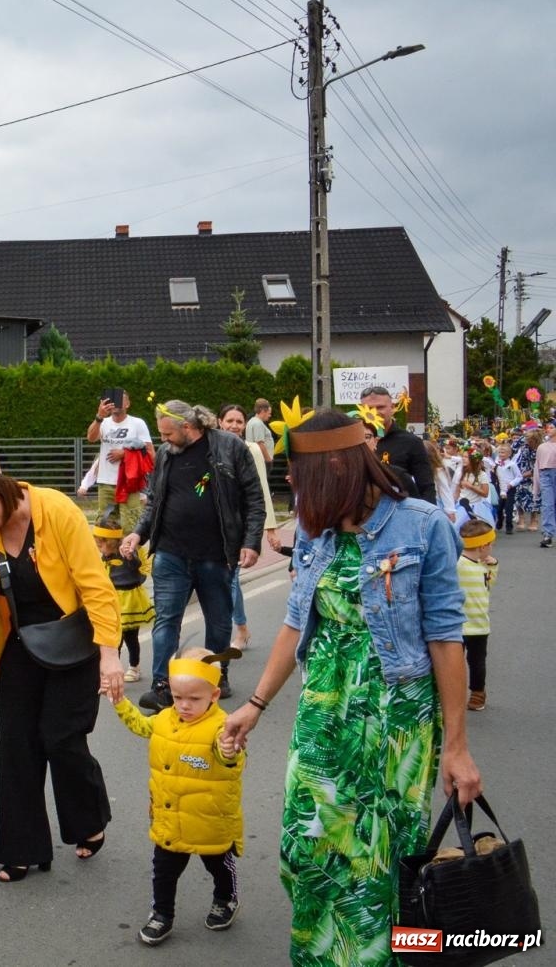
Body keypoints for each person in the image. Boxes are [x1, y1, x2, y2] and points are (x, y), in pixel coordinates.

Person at [221, 408, 481, 965]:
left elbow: (446, 641)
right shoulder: (315, 530)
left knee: (379, 861)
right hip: (324, 711)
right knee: (305, 847)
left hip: (395, 717)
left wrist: (456, 747)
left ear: (337, 465)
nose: (290, 483)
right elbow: (295, 623)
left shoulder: (422, 525)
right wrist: (255, 705)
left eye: (298, 472)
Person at [0, 449, 123, 881]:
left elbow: (95, 586)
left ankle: (87, 821)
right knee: (18, 746)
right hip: (20, 647)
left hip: (72, 642)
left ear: (4, 487)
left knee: (61, 740)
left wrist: (109, 654)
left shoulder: (56, 510)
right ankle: (22, 849)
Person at [121, 401, 264, 710]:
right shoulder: (164, 454)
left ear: (188, 427)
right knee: (166, 620)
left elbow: (254, 497)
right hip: (171, 553)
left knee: (219, 619)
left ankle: (215, 676)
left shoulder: (229, 447)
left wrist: (251, 542)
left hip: (215, 554)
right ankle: (163, 685)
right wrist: (138, 534)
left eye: (168, 433)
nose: (163, 440)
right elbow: (154, 500)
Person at [108, 649, 244, 946]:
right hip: (169, 815)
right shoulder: (164, 718)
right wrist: (120, 704)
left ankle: (226, 898)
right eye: (177, 696)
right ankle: (162, 914)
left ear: (214, 694)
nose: (183, 705)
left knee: (219, 865)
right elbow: (142, 726)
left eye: (194, 699)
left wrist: (229, 751)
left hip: (210, 819)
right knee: (163, 871)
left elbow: (231, 759)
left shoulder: (223, 727)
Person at [218, 402, 277, 652]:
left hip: (239, 528)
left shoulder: (250, 449)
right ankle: (230, 628)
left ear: (245, 425)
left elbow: (260, 490)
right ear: (220, 422)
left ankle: (240, 628)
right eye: (229, 420)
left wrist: (269, 528)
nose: (234, 425)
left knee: (230, 580)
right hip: (213, 526)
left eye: (239, 421)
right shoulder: (209, 448)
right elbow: (202, 484)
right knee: (221, 580)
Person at [91, 509, 152, 682]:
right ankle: (113, 669)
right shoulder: (105, 556)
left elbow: (136, 565)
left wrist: (130, 556)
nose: (100, 550)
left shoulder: (126, 551)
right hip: (112, 599)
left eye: (101, 546)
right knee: (112, 638)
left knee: (131, 637)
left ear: (111, 542)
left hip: (129, 599)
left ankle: (134, 666)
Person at [86, 389, 152, 536]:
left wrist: (125, 454)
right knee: (105, 524)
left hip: (130, 483)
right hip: (106, 483)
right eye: (113, 399)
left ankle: (132, 556)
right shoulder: (103, 423)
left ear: (128, 403)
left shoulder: (137, 423)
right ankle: (111, 557)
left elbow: (150, 453)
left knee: (131, 524)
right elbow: (90, 438)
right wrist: (99, 417)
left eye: (121, 399)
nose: (116, 403)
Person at [359, 384, 436, 502]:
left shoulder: (411, 442)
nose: (374, 412)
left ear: (392, 407)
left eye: (380, 407)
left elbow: (426, 486)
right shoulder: (353, 442)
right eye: (369, 408)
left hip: (400, 511)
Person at [457, 519, 497, 712]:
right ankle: (454, 694)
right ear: (483, 546)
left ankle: (478, 692)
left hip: (479, 624)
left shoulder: (483, 566)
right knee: (456, 662)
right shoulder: (459, 564)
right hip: (458, 624)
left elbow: (489, 583)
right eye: (491, 545)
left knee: (477, 662)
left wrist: (493, 565)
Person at [456, 449, 493, 531]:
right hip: (462, 506)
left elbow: (485, 493)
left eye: (466, 457)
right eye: (463, 457)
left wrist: (471, 487)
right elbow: (457, 491)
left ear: (473, 460)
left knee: (477, 530)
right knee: (458, 529)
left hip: (476, 507)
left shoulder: (482, 475)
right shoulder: (461, 472)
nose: (463, 459)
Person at [512, 428, 540, 531]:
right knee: (518, 495)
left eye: (530, 439)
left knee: (534, 497)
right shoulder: (523, 443)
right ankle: (521, 518)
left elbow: (538, 464)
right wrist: (523, 437)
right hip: (519, 471)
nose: (528, 441)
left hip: (533, 473)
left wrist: (529, 474)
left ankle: (534, 519)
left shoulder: (539, 448)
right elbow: (513, 447)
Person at [493, 442, 521, 534]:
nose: (501, 454)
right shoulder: (497, 463)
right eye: (500, 452)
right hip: (499, 487)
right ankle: (500, 521)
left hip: (509, 488)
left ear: (509, 454)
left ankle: (509, 526)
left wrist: (512, 483)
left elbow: (519, 476)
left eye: (503, 452)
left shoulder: (512, 464)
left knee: (509, 508)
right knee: (499, 507)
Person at [244, 398, 276, 466]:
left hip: (257, 460)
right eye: (269, 413)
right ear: (262, 411)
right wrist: (268, 460)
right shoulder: (258, 424)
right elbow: (260, 443)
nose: (270, 416)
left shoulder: (252, 421)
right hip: (261, 461)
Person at [540, 418, 556, 548]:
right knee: (547, 504)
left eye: (551, 427)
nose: (548, 429)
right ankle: (548, 534)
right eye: (547, 427)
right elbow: (537, 466)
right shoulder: (542, 446)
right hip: (545, 474)